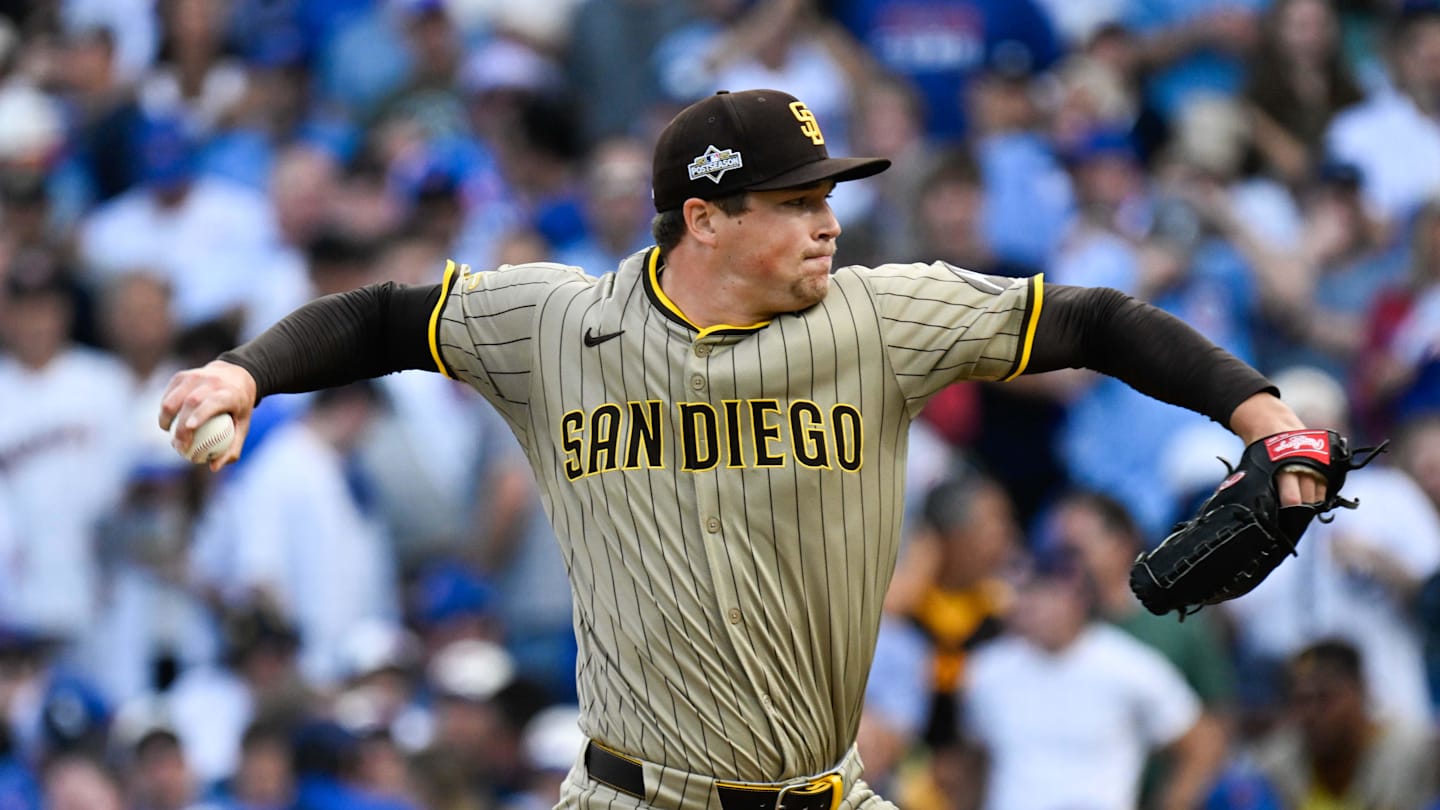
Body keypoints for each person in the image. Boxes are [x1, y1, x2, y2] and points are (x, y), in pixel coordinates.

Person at [160, 88, 1330, 810]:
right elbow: (382, 317)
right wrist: (247, 370)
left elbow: (1093, 320)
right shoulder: (560, 324)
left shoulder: (877, 316)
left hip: (823, 795)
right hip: (630, 798)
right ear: (706, 220)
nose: (828, 216)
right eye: (793, 197)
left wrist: (1265, 419)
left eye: (829, 189)